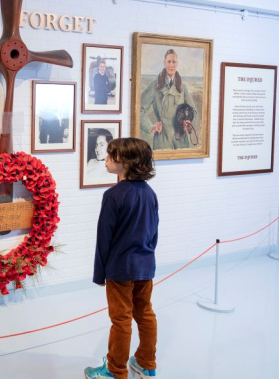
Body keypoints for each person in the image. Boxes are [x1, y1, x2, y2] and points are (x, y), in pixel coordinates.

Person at [85, 137, 159, 379]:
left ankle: (116, 370)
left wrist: (99, 274)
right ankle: (147, 363)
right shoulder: (150, 194)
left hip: (120, 269)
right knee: (145, 313)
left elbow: (104, 239)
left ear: (126, 162)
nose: (106, 159)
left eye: (111, 155)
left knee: (121, 319)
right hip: (145, 266)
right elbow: (153, 232)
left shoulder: (113, 195)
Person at [139, 49, 198, 150]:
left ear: (177, 64)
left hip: (181, 139)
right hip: (162, 139)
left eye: (174, 62)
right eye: (169, 62)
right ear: (164, 63)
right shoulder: (155, 86)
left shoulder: (182, 88)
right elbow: (139, 109)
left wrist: (188, 123)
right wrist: (150, 127)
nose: (171, 65)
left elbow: (194, 112)